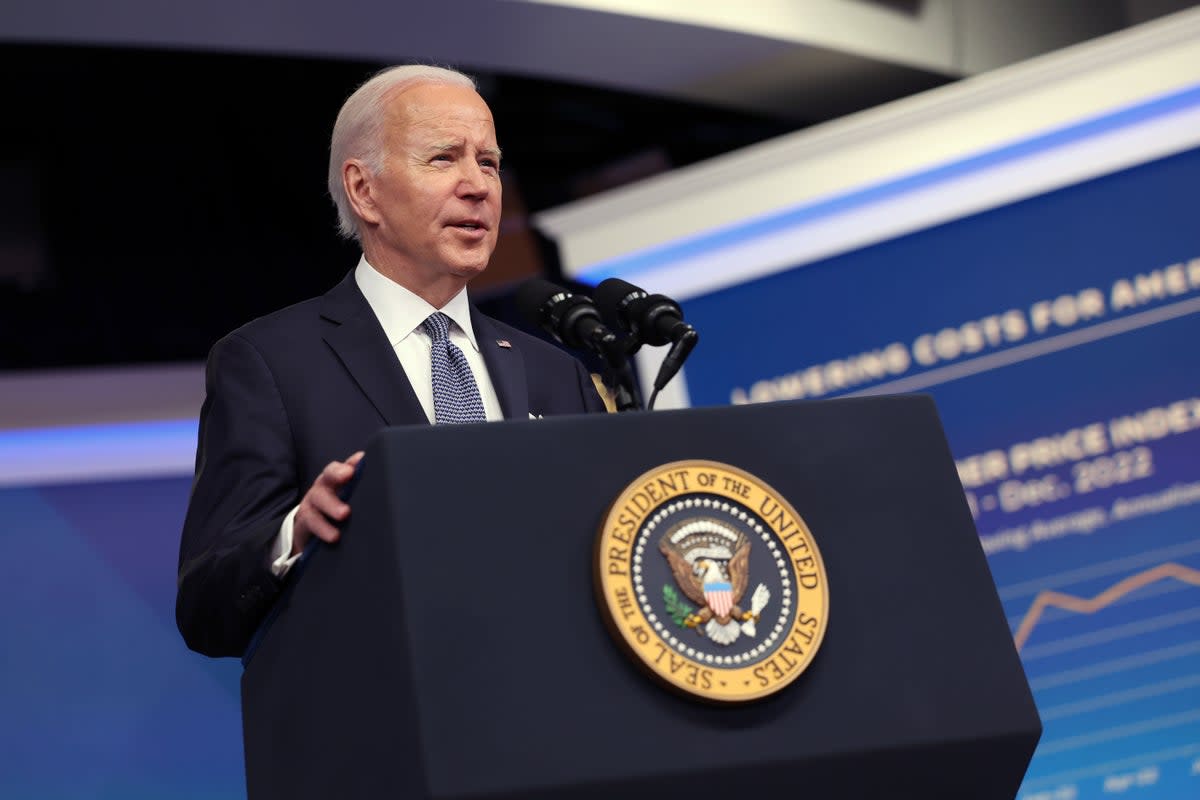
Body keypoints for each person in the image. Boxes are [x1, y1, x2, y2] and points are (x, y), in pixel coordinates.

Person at [176, 64, 607, 658]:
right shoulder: (270, 364)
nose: (478, 185)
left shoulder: (556, 374)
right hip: (386, 730)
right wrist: (295, 533)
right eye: (443, 159)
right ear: (364, 190)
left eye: (488, 162)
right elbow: (205, 607)